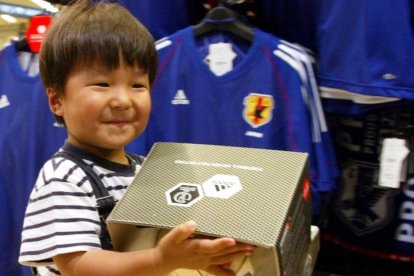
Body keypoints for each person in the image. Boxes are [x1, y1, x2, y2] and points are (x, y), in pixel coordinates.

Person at [18, 1, 254, 275]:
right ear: (57, 100)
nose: (122, 100)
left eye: (138, 85)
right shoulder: (65, 178)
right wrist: (161, 260)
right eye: (102, 84)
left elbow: (158, 240)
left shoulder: (148, 169)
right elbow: (78, 265)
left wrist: (199, 255)